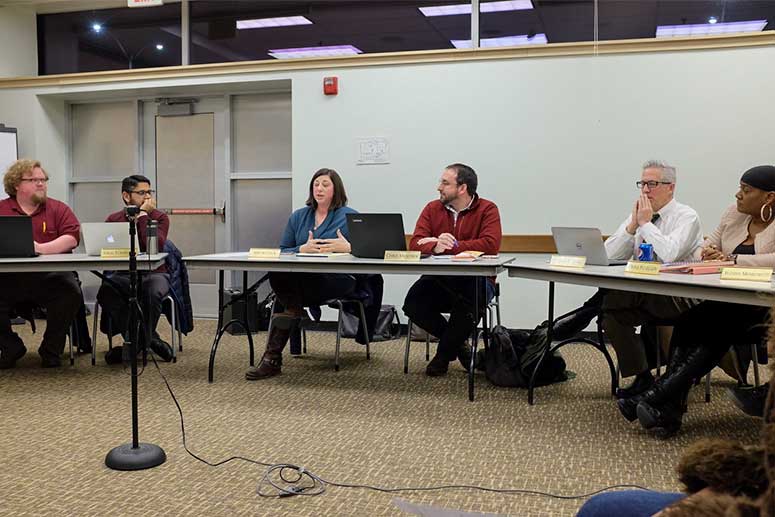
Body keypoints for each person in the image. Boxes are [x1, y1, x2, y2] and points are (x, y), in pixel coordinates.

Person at [617, 165, 775, 437]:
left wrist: (734, 260)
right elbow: (707, 245)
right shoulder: (733, 214)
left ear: (769, 197)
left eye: (746, 190)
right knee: (689, 322)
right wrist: (711, 251)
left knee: (717, 333)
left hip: (765, 309)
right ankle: (667, 408)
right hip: (729, 300)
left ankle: (655, 398)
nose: (738, 195)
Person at [552, 160, 703, 398]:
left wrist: (645, 224)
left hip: (679, 296)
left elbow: (670, 253)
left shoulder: (687, 216)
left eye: (652, 184)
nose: (645, 190)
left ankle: (587, 310)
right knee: (610, 317)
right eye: (642, 183)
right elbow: (608, 255)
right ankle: (643, 376)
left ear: (670, 187)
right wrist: (632, 226)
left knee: (609, 300)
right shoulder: (639, 215)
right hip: (640, 295)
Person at [246, 167, 382, 380]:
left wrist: (349, 248)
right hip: (303, 282)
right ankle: (274, 351)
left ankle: (273, 356)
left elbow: (371, 252)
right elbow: (282, 251)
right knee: (278, 272)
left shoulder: (350, 216)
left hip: (337, 280)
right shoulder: (299, 216)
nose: (319, 188)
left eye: (325, 185)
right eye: (316, 184)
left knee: (286, 297)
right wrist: (301, 250)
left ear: (336, 190)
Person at [402, 163, 502, 377]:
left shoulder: (488, 209)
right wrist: (435, 244)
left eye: (445, 183)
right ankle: (458, 345)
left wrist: (455, 246)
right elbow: (415, 243)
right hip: (440, 279)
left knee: (470, 300)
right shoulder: (432, 208)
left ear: (462, 188)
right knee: (412, 303)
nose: (439, 187)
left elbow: (490, 244)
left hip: (478, 280)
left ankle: (443, 354)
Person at [0, 159, 81, 368]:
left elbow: (72, 237)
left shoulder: (58, 208)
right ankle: (10, 346)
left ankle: (51, 349)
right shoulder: (2, 209)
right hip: (8, 279)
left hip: (49, 277)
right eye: (34, 179)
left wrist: (40, 248)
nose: (41, 184)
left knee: (70, 291)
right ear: (16, 184)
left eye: (43, 179)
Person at [96, 175, 174, 362]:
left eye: (149, 192)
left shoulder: (159, 217)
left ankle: (133, 346)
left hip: (154, 273)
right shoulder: (114, 219)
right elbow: (106, 248)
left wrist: (143, 216)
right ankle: (148, 339)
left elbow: (152, 246)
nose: (147, 197)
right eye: (141, 193)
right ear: (126, 196)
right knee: (107, 291)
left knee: (152, 292)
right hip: (123, 273)